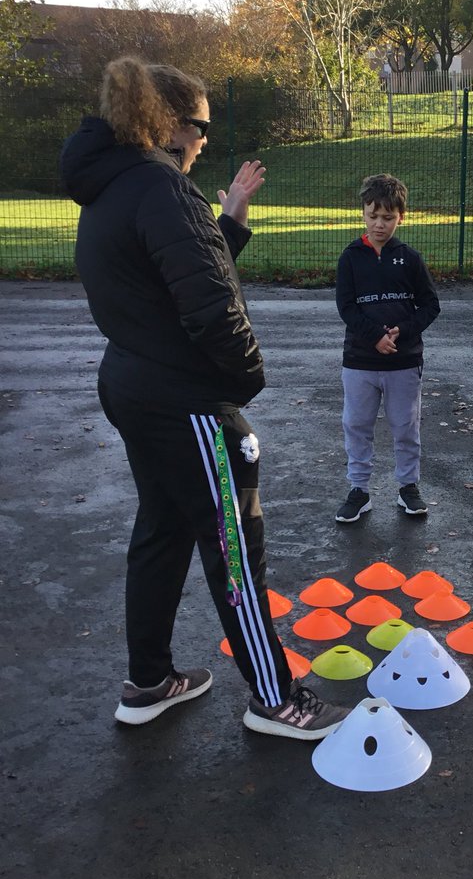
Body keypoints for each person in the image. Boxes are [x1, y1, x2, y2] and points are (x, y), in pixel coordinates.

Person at [60, 56, 348, 740]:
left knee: (162, 528)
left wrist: (231, 221)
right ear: (168, 125)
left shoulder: (115, 183)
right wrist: (242, 383)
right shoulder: (161, 188)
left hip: (134, 383)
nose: (205, 141)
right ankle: (276, 699)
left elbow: (168, 274)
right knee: (234, 545)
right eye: (200, 127)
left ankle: (150, 680)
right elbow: (210, 305)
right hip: (182, 400)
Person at [334, 174, 440, 522]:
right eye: (373, 215)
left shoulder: (410, 258)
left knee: (405, 428)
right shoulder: (350, 257)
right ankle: (359, 490)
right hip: (360, 362)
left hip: (403, 363)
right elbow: (346, 308)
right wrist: (374, 337)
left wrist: (403, 332)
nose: (380, 224)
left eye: (388, 217)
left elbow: (430, 306)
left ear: (401, 217)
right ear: (363, 212)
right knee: (357, 425)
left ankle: (408, 488)